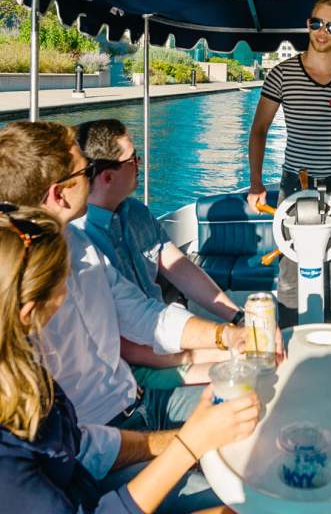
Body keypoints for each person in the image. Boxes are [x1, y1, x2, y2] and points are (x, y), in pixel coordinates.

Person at [0, 120, 245, 513]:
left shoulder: (79, 244)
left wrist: (229, 337)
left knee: (252, 421)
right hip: (95, 455)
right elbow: (77, 449)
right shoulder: (17, 299)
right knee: (240, 496)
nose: (94, 175)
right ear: (59, 194)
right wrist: (188, 445)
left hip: (137, 406)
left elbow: (145, 316)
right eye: (85, 170)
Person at [75, 118, 246, 390]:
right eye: (134, 159)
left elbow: (182, 270)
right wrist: (228, 350)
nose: (140, 164)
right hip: (129, 372)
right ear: (108, 176)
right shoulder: (82, 244)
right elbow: (130, 346)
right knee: (245, 383)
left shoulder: (137, 213)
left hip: (163, 342)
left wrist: (239, 317)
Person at [247, 0, 331, 327]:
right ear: (308, 24)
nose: (322, 32)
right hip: (293, 184)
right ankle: (287, 340)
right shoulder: (281, 74)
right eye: (317, 23)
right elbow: (259, 130)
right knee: (289, 271)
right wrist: (256, 183)